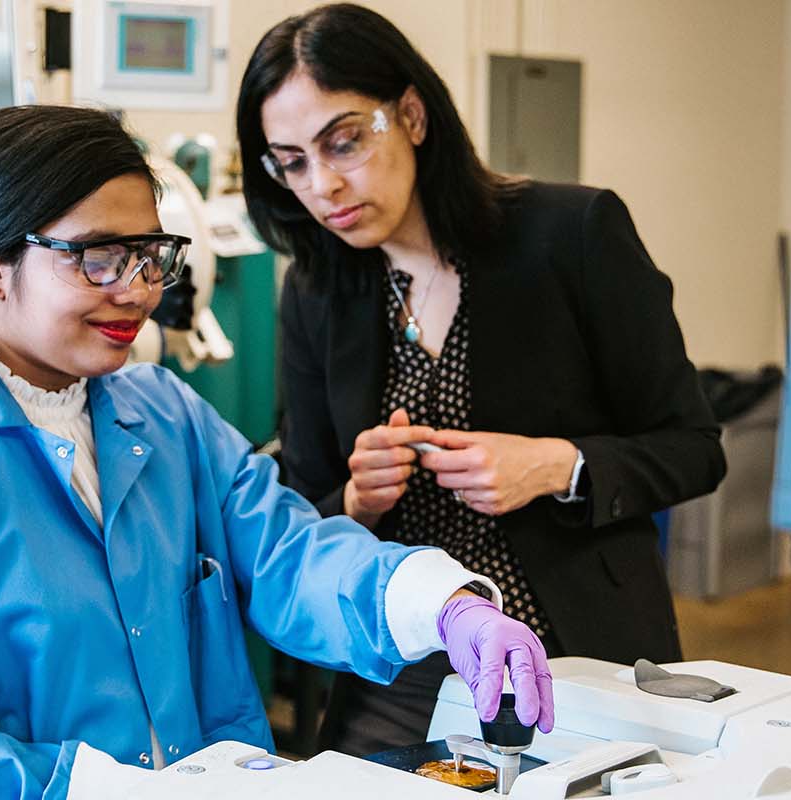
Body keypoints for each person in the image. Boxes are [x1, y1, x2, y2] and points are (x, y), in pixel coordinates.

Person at [0, 104, 554, 800]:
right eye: (98, 257)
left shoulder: (164, 414)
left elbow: (289, 554)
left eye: (149, 254)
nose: (138, 289)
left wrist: (441, 604)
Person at [236, 4, 728, 755]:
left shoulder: (571, 234)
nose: (323, 185)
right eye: (292, 162)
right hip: (405, 664)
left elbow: (695, 447)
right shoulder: (316, 290)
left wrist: (557, 465)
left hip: (572, 650)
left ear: (411, 115)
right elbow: (303, 509)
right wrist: (359, 499)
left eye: (344, 142)